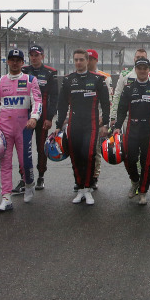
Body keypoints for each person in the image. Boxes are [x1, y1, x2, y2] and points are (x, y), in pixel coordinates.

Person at [0, 49, 43, 213]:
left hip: (24, 127)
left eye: (18, 60)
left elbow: (37, 102)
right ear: (7, 62)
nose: (15, 62)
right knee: (5, 163)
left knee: (25, 161)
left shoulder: (31, 80)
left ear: (23, 63)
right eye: (12, 60)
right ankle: (6, 198)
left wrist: (34, 118)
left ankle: (29, 182)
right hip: (4, 128)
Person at [56, 49, 111, 205]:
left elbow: (106, 104)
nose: (78, 62)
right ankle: (80, 188)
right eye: (76, 60)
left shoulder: (98, 80)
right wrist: (59, 125)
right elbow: (61, 104)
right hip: (74, 124)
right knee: (75, 156)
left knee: (88, 155)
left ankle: (88, 188)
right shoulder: (68, 80)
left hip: (91, 124)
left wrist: (105, 123)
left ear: (88, 61)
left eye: (81, 59)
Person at [114, 57, 150, 206]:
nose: (142, 71)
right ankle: (135, 181)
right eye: (140, 68)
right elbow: (121, 110)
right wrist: (117, 126)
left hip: (149, 129)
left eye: (145, 68)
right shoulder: (128, 88)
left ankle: (143, 192)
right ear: (135, 70)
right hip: (132, 127)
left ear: (149, 70)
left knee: (147, 162)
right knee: (129, 158)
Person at [17, 45, 59, 193]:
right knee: (23, 147)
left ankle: (41, 176)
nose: (34, 57)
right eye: (32, 55)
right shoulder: (23, 71)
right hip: (23, 115)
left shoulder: (50, 72)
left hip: (42, 116)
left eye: (37, 55)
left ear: (42, 56)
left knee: (41, 147)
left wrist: (49, 118)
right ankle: (23, 178)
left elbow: (54, 97)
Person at [87, 49, 113, 189]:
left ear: (96, 60)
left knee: (95, 149)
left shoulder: (105, 77)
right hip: (82, 119)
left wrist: (104, 120)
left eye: (91, 59)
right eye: (87, 58)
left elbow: (108, 100)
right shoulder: (78, 76)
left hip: (97, 119)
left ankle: (94, 176)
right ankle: (82, 177)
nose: (89, 61)